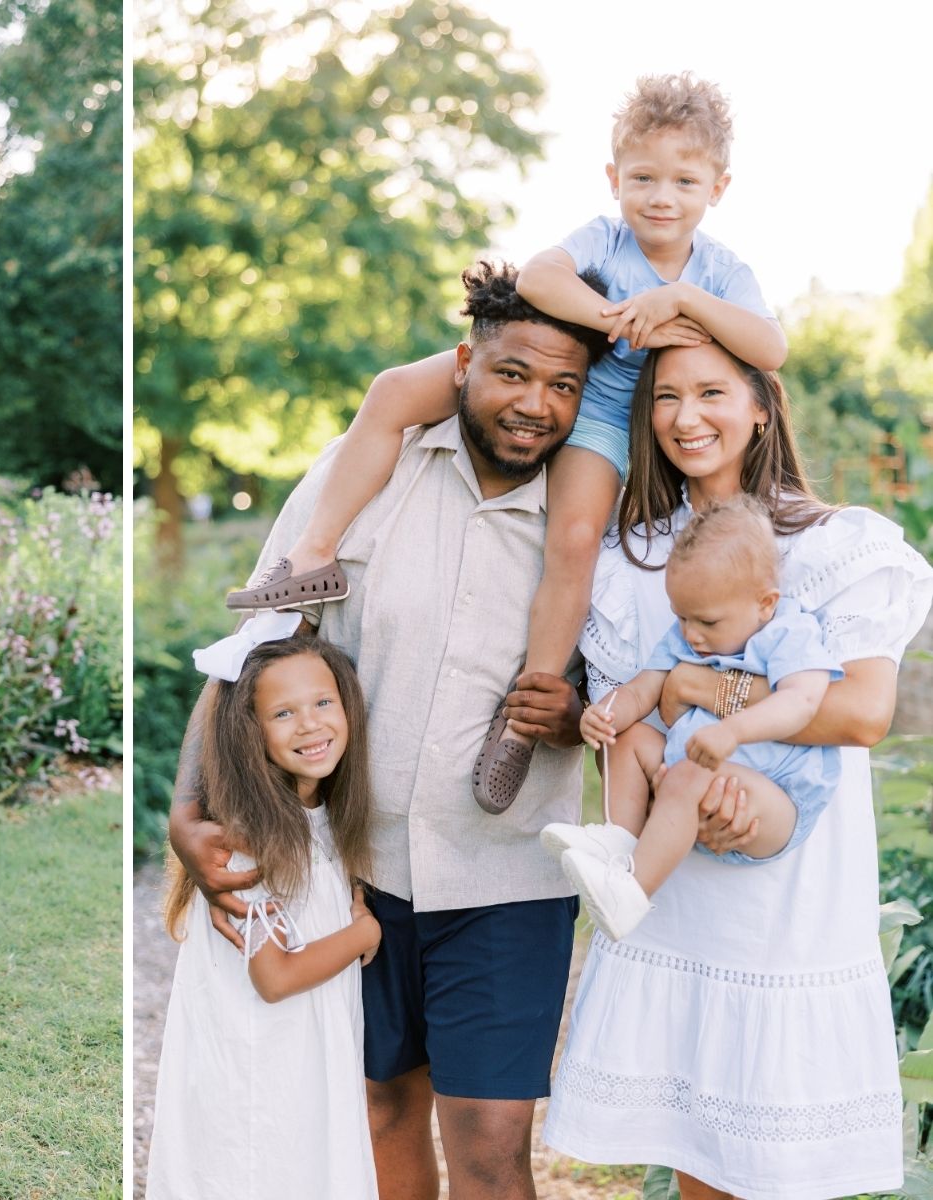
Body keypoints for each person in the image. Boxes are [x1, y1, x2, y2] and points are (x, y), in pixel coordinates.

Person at [223, 73, 785, 817]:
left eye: (685, 181)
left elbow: (769, 346)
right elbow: (541, 277)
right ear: (615, 178)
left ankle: (527, 707)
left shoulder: (718, 270)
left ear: (718, 188)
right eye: (643, 177)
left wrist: (679, 301)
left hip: (612, 417)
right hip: (564, 368)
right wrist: (615, 315)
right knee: (394, 391)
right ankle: (315, 555)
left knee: (576, 534)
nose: (661, 196)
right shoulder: (605, 238)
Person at [170, 261, 604, 1200]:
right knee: (375, 1115)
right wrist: (185, 813)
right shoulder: (363, 473)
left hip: (507, 879)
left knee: (491, 1152)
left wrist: (576, 716)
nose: (536, 404)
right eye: (513, 374)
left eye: (564, 385)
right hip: (354, 869)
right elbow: (251, 654)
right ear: (462, 365)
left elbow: (634, 684)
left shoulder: (591, 518)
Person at [541, 339, 933, 1200]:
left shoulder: (834, 546)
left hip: (789, 898)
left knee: (779, 1164)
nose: (687, 417)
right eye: (666, 397)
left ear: (761, 405)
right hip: (680, 891)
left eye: (712, 392)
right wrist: (652, 721)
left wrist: (693, 686)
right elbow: (627, 734)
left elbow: (862, 711)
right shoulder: (632, 562)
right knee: (700, 1167)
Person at [542, 495, 842, 941]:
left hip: (778, 796)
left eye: (706, 622)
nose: (691, 634)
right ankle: (619, 843)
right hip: (700, 774)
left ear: (765, 603)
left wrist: (733, 729)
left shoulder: (788, 633)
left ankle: (631, 895)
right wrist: (605, 713)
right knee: (631, 737)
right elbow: (645, 688)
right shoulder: (688, 635)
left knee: (685, 777)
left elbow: (802, 702)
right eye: (681, 617)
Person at [148, 631, 383, 1199]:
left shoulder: (322, 817)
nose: (310, 724)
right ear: (248, 733)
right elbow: (275, 976)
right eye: (283, 713)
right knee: (263, 1170)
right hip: (263, 1067)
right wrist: (363, 933)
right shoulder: (245, 841)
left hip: (303, 1063)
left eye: (323, 703)